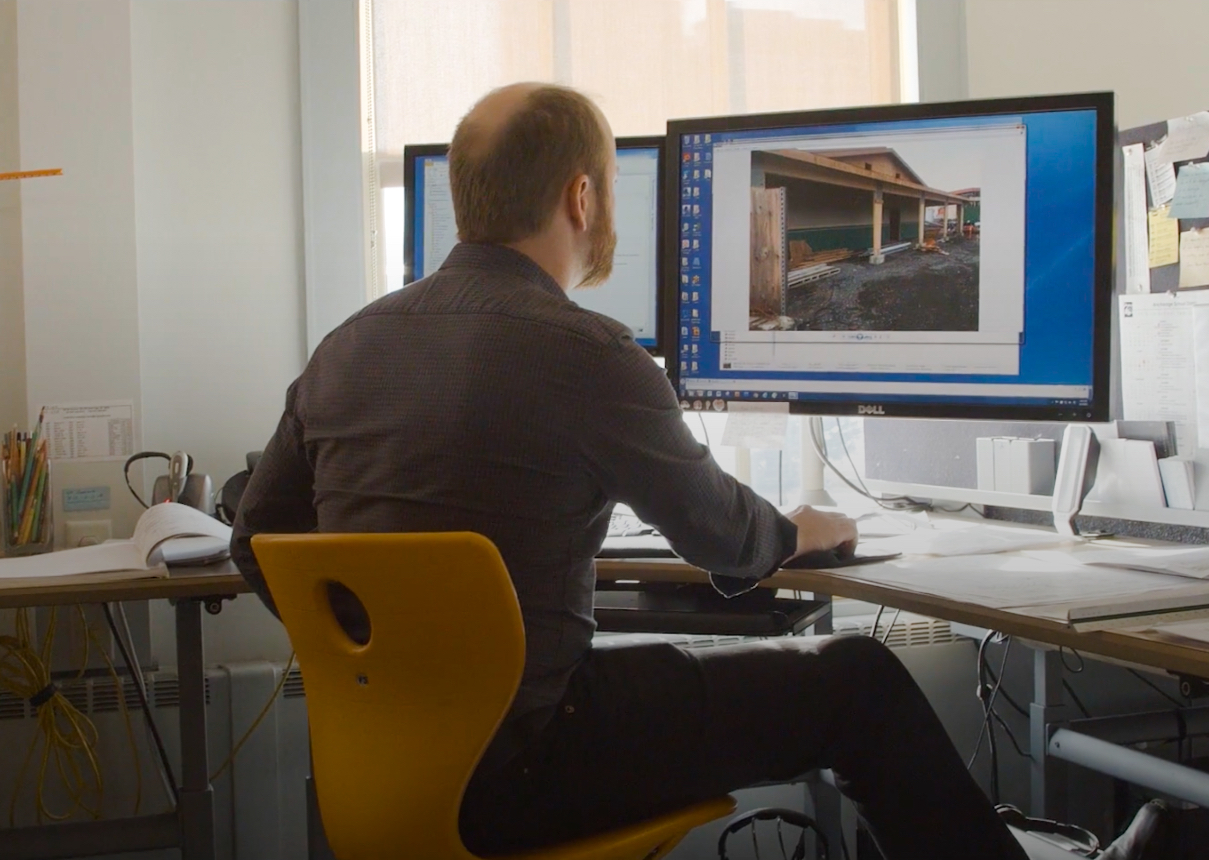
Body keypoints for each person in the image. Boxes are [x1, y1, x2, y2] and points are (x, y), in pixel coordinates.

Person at [232, 83, 1160, 859]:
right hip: (532, 764)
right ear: (582, 198)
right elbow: (722, 538)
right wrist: (797, 532)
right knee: (858, 681)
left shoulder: (347, 346)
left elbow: (255, 539)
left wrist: (384, 664)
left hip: (390, 769)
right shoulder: (587, 352)